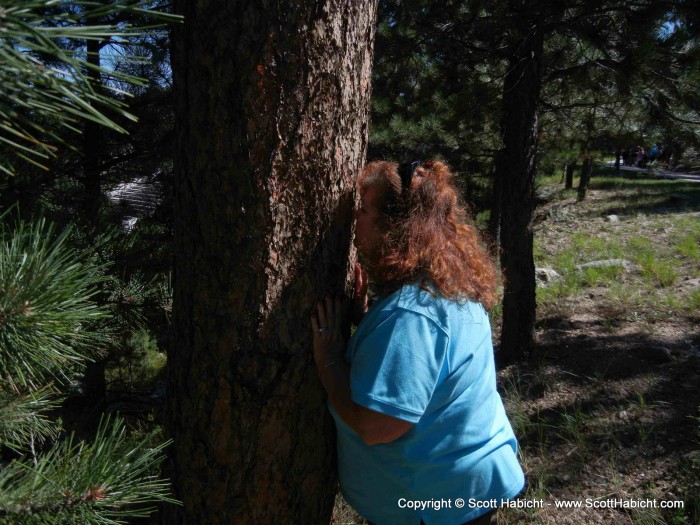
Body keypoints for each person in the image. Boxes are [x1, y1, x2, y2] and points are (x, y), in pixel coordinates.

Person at [310, 160, 525, 525]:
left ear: (396, 226)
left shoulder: (412, 315)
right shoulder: (449, 286)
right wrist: (366, 324)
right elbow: (427, 368)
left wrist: (330, 361)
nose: (354, 222)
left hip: (436, 502)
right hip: (465, 487)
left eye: (363, 211)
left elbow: (377, 426)